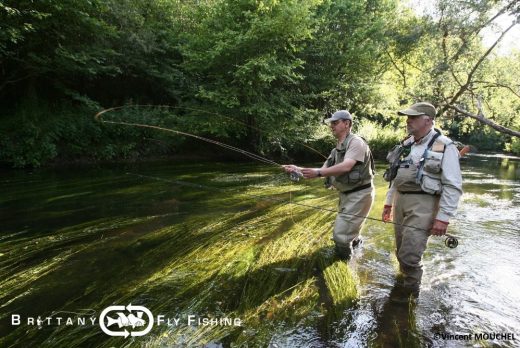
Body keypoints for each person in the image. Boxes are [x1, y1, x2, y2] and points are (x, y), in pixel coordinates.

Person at [381, 102, 462, 296]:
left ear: (428, 120)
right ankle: (405, 284)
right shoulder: (406, 143)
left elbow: (453, 186)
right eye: (408, 117)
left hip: (424, 203)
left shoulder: (445, 145)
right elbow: (395, 176)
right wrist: (388, 203)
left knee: (409, 255)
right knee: (400, 250)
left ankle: (408, 298)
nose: (408, 121)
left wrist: (442, 218)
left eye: (413, 117)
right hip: (401, 200)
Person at [283, 110, 375, 259]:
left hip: (360, 194)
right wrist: (296, 169)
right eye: (331, 123)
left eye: (335, 122)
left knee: (340, 237)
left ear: (347, 124)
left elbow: (346, 166)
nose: (331, 126)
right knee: (348, 230)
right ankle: (356, 246)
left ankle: (345, 262)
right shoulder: (336, 150)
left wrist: (318, 172)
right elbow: (322, 171)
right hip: (346, 194)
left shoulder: (356, 142)